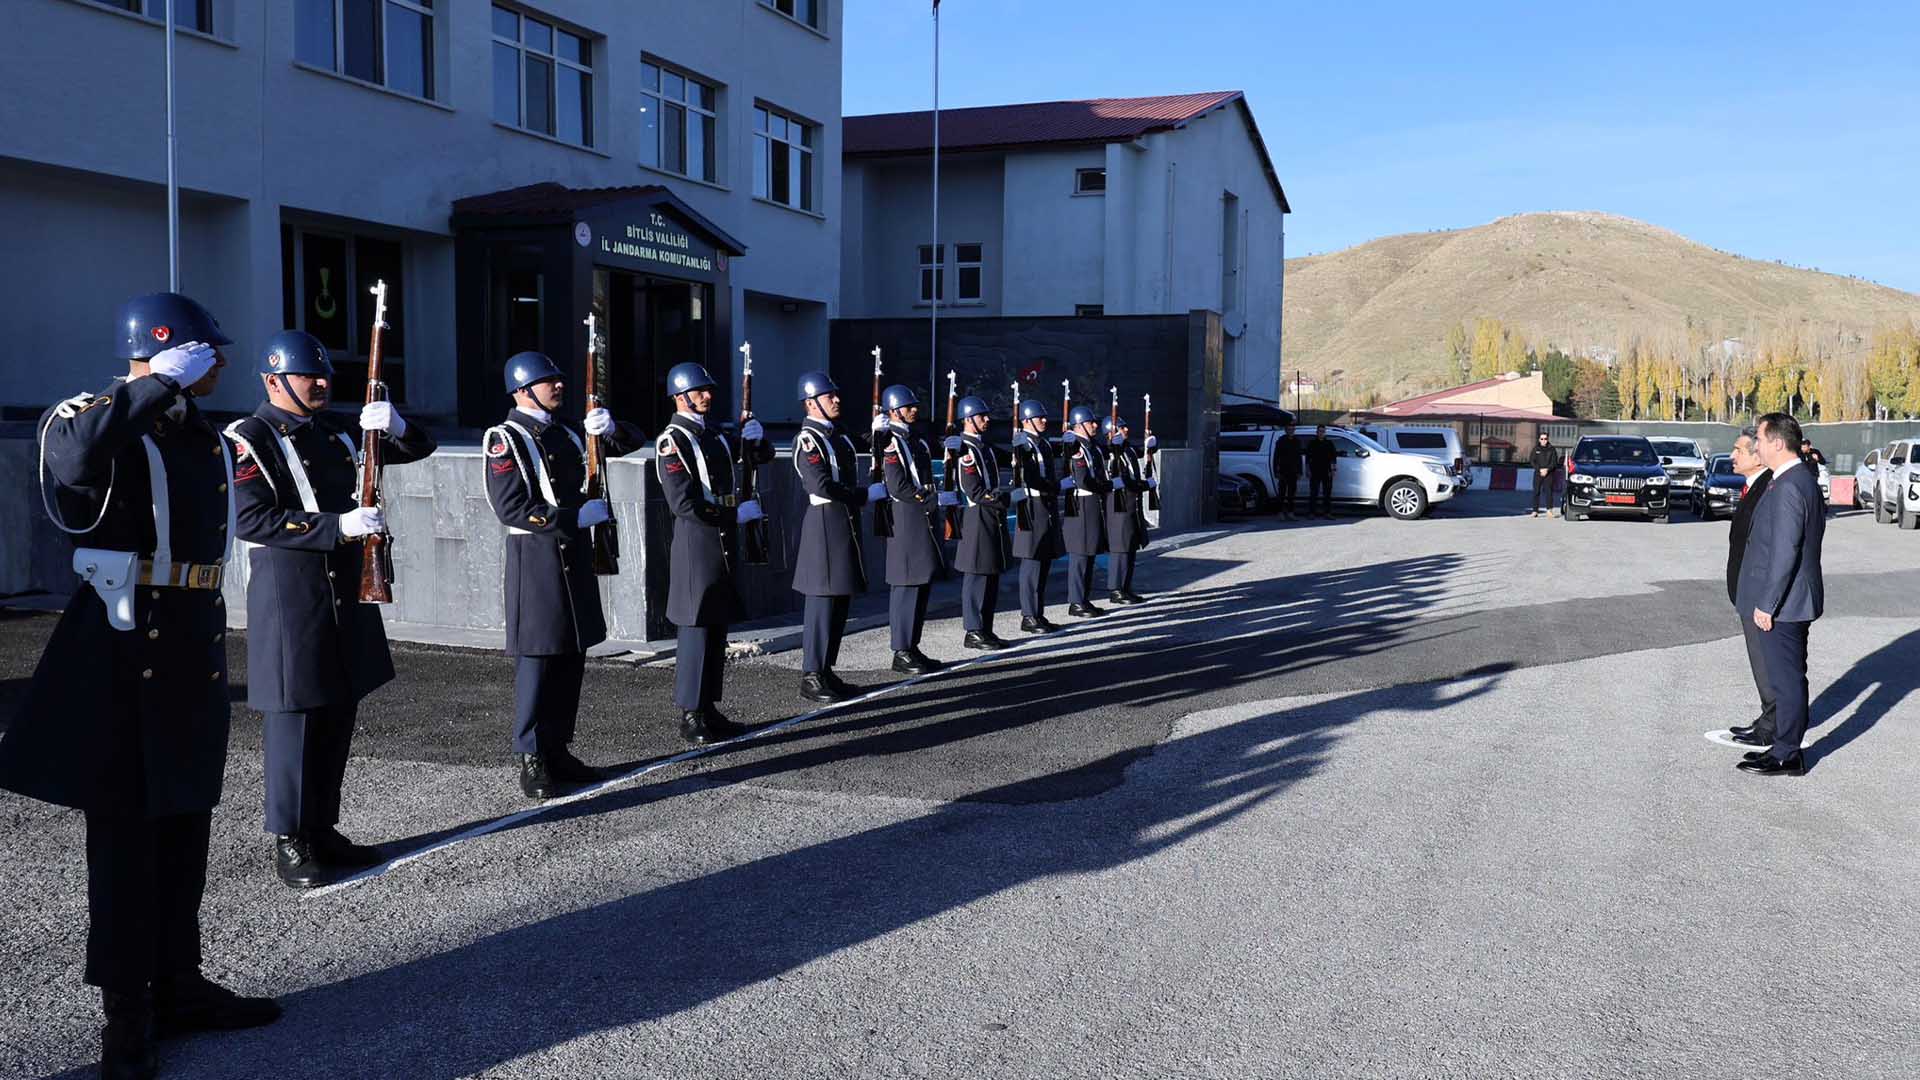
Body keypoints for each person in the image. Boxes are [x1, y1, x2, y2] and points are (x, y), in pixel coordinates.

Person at [0, 292, 280, 1079]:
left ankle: (179, 983)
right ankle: (127, 1013)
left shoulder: (199, 435)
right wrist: (150, 384)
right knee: (125, 843)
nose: (219, 362)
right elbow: (75, 463)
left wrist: (166, 395)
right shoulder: (90, 414)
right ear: (163, 348)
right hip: (123, 644)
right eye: (205, 351)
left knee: (185, 825)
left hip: (190, 642)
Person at [225, 330, 437, 887]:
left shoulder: (339, 430)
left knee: (338, 707)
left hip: (345, 586)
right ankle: (291, 838)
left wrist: (394, 425)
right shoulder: (249, 438)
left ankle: (322, 827)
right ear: (274, 381)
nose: (320, 383)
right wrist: (334, 527)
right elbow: (250, 518)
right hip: (291, 589)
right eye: (306, 376)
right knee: (296, 715)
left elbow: (419, 448)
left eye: (323, 375)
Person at [485, 351, 644, 796]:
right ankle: (532, 757)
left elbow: (632, 440)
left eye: (558, 378)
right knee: (538, 659)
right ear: (521, 390)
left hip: (573, 557)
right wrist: (574, 517)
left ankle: (558, 748)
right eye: (546, 381)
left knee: (571, 655)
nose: (558, 386)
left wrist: (610, 428)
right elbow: (512, 507)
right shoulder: (506, 438)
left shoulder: (572, 431)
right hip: (536, 557)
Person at [654, 362, 772, 743]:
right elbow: (683, 503)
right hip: (698, 539)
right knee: (696, 626)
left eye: (709, 389)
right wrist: (732, 514)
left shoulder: (715, 435)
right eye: (700, 390)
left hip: (722, 538)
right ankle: (691, 713)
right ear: (680, 396)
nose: (708, 395)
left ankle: (709, 706)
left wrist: (757, 439)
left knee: (716, 624)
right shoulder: (673, 440)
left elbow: (755, 459)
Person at [1734, 412, 1825, 776]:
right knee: (1789, 677)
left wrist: (1767, 604)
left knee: (1786, 680)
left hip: (1784, 603)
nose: (1756, 445)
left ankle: (1787, 753)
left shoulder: (1789, 485)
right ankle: (1783, 745)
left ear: (1775, 442)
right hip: (1792, 598)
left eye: (1759, 438)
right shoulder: (1795, 478)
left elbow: (1785, 551)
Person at [790, 370, 887, 703]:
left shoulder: (837, 435)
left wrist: (879, 434)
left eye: (835, 394)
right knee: (822, 601)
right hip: (825, 522)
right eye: (829, 396)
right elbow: (820, 485)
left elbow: (866, 446)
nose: (837, 400)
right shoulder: (809, 439)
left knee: (840, 600)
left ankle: (826, 669)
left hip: (843, 523)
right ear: (811, 403)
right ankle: (811, 674)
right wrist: (862, 496)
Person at [877, 384, 950, 673]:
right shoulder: (890, 441)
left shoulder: (915, 441)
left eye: (914, 406)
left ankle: (912, 645)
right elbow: (897, 485)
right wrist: (929, 499)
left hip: (922, 518)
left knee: (920, 583)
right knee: (906, 585)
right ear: (893, 411)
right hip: (906, 518)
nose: (914, 410)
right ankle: (901, 649)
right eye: (908, 407)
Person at [1723, 428, 1777, 752]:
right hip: (1746, 591)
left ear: (1758, 456)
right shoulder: (1752, 488)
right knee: (1760, 663)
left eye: (1738, 450)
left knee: (1766, 663)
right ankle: (1767, 719)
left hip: (1758, 595)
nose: (1733, 456)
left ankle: (1773, 726)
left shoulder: (1767, 491)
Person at [949, 394, 1012, 649]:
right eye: (981, 416)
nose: (987, 420)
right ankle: (973, 630)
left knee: (990, 574)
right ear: (968, 420)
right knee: (977, 575)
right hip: (978, 515)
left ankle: (985, 627)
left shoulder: (983, 447)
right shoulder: (965, 449)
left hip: (990, 516)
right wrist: (1004, 498)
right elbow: (974, 490)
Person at [1009, 398, 1064, 633]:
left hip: (1046, 506)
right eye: (1039, 417)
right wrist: (1055, 487)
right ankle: (1028, 615)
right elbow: (1029, 476)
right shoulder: (1023, 443)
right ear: (1027, 420)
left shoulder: (1042, 444)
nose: (1044, 420)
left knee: (1043, 563)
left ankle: (1037, 613)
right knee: (1032, 564)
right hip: (1032, 505)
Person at [1059, 405, 1113, 616]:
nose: (1095, 425)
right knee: (1080, 556)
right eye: (1091, 422)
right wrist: (1107, 487)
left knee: (1089, 555)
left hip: (1092, 505)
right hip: (1081, 505)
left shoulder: (1090, 446)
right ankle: (1076, 601)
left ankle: (1084, 598)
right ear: (1079, 425)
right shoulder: (1076, 448)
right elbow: (1084, 481)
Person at [1101, 412, 1158, 605]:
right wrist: (1145, 485)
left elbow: (1143, 451)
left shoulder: (1128, 450)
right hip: (1119, 505)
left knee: (1130, 546)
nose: (1126, 429)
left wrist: (1151, 445)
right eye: (1121, 427)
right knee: (1120, 548)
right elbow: (1125, 480)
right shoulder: (1111, 453)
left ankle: (1126, 587)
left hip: (1131, 504)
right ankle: (1116, 589)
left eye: (1125, 426)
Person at [1304, 425, 1338, 518]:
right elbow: (1307, 458)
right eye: (1319, 431)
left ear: (1325, 432)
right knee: (1313, 493)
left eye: (1323, 431)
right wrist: (1307, 470)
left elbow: (1333, 458)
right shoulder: (1312, 443)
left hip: (1327, 471)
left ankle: (1327, 513)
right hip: (1314, 471)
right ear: (1317, 432)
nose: (1321, 433)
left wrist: (1333, 469)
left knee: (1327, 493)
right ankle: (1311, 513)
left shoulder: (1329, 443)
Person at [1273, 422, 1303, 520]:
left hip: (1294, 471)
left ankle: (1291, 513)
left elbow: (1299, 458)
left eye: (1292, 429)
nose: (1291, 431)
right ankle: (1280, 512)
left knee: (1292, 494)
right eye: (1289, 429)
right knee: (1281, 493)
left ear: (1294, 430)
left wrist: (1300, 471)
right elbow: (1276, 457)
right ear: (1286, 430)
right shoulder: (1281, 441)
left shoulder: (1297, 441)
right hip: (1283, 471)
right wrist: (1276, 471)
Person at [1528, 431, 1559, 517]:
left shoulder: (1552, 449)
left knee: (1549, 492)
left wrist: (1547, 470)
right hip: (1538, 473)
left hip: (1549, 474)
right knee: (1536, 492)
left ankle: (1549, 511)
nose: (1543, 440)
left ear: (1548, 439)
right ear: (1539, 439)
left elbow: (1554, 462)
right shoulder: (1536, 449)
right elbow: (1532, 460)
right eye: (1542, 439)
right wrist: (1539, 469)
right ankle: (1535, 511)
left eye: (1545, 439)